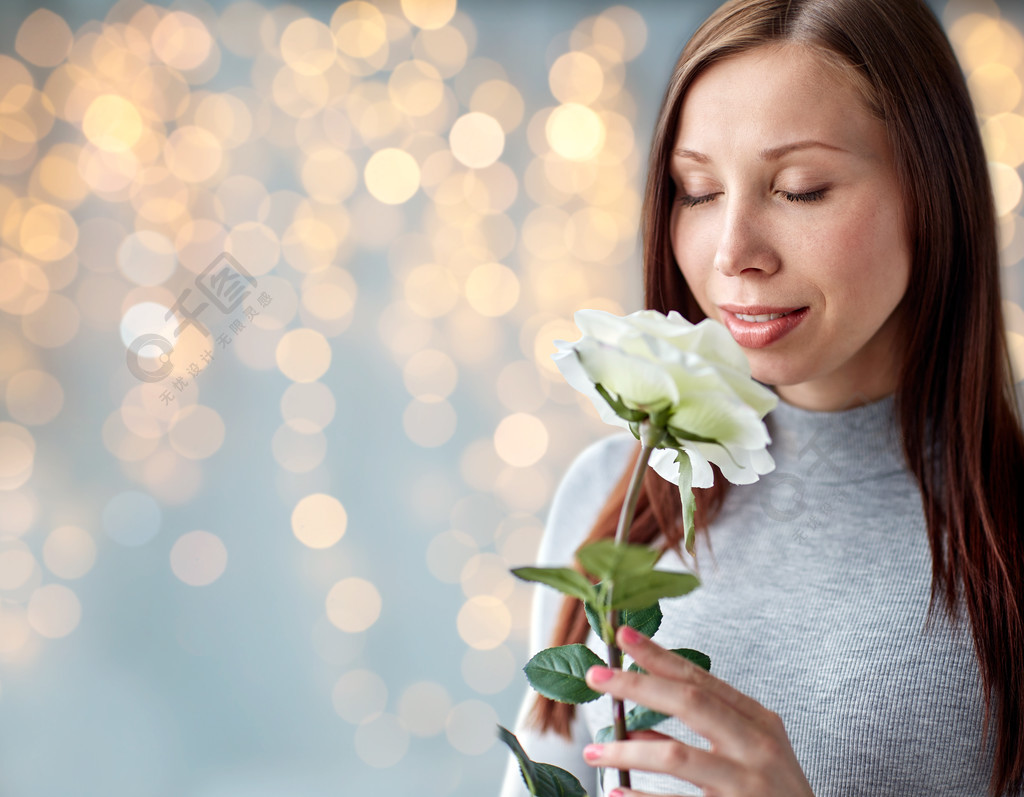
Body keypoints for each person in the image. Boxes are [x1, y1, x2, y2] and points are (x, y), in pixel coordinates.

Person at [499, 0, 1024, 795]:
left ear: (933, 189)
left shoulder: (1008, 541)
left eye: (802, 189)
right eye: (698, 190)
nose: (733, 252)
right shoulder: (614, 498)